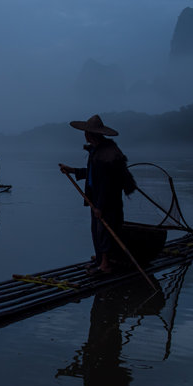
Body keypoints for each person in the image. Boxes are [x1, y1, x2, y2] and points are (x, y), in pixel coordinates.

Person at [58, 115, 136, 274]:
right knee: (97, 231)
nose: (85, 135)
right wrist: (72, 170)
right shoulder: (97, 151)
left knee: (105, 231)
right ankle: (101, 260)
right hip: (97, 199)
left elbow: (107, 184)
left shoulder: (107, 153)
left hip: (108, 201)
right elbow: (93, 174)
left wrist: (100, 206)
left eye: (87, 132)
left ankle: (106, 264)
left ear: (92, 134)